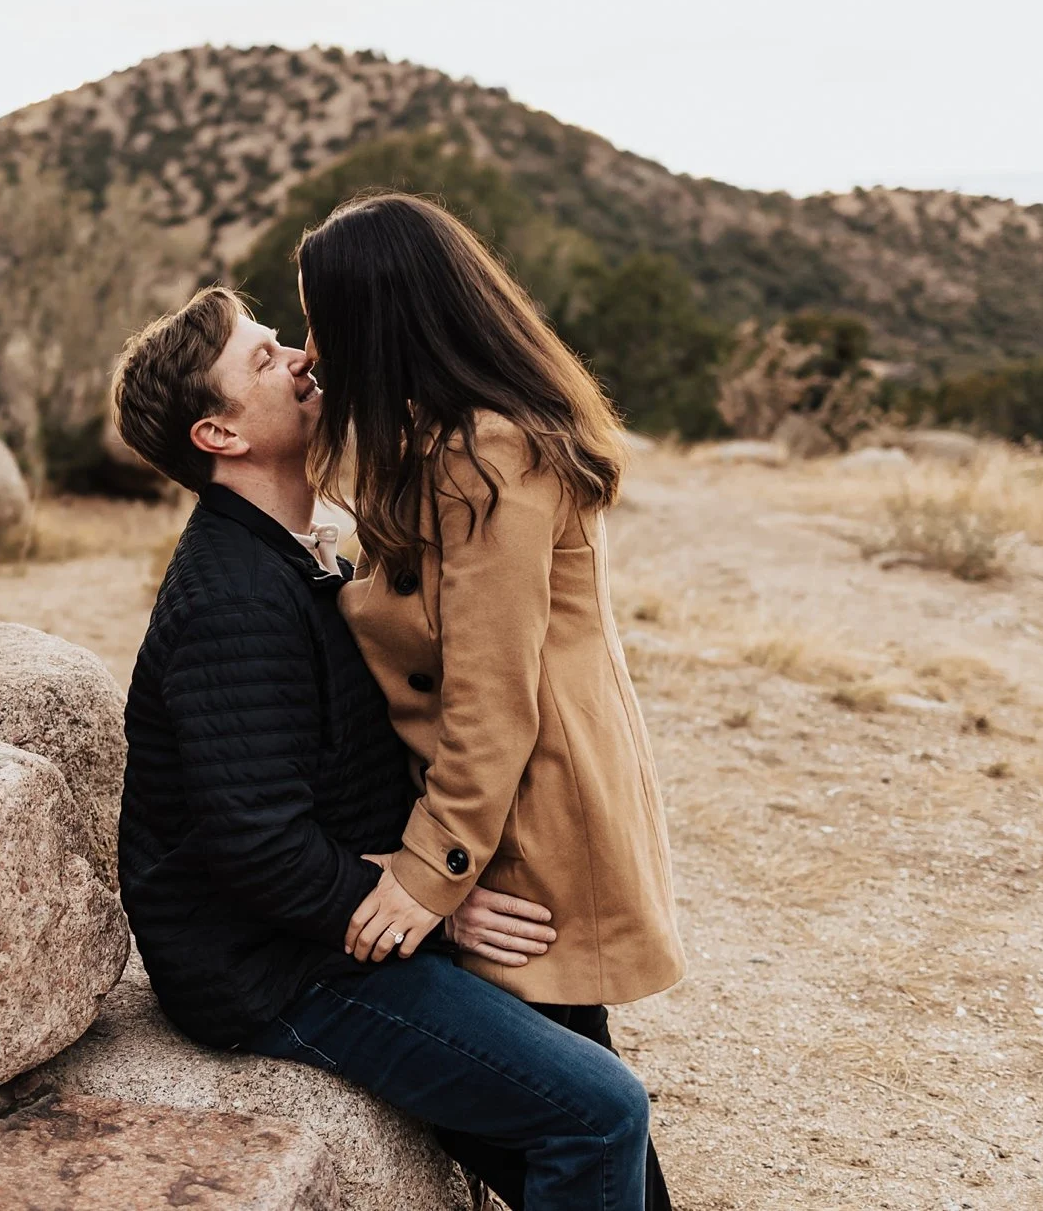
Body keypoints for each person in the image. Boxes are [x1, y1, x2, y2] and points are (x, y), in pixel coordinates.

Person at [114, 286, 658, 1209]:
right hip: (275, 969)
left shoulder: (299, 554)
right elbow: (257, 845)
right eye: (265, 357)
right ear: (220, 434)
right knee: (598, 1110)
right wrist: (438, 911)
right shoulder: (232, 600)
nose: (301, 358)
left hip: (329, 927)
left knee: (577, 1032)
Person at [295, 192, 687, 1209]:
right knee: (580, 1093)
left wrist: (427, 876)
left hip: (524, 813)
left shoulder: (487, 458)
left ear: (378, 322)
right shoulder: (454, 442)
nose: (311, 353)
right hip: (519, 801)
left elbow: (489, 697)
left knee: (566, 1091)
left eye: (321, 323)